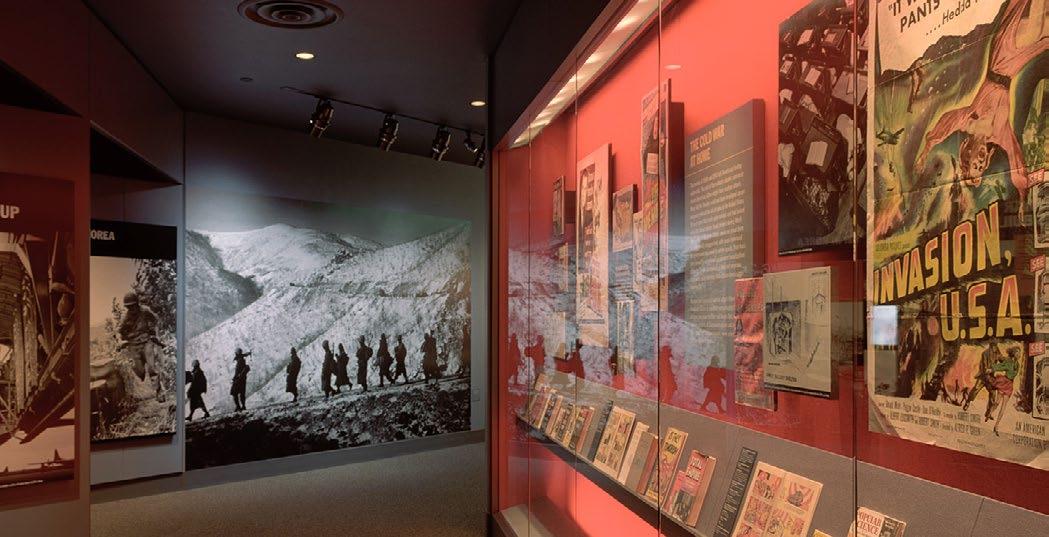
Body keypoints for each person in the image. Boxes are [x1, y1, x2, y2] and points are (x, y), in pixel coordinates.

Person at [916, 0, 1047, 217]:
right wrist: (1023, 198)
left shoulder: (970, 121)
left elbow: (946, 122)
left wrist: (926, 149)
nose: (979, 162)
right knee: (1044, 27)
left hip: (1001, 58)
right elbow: (1016, 161)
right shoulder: (1000, 134)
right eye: (981, 167)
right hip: (1014, 67)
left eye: (974, 165)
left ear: (968, 155)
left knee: (1036, 23)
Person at [118, 290, 163, 400]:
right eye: (128, 307)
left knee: (152, 368)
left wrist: (154, 333)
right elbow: (119, 332)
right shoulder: (125, 317)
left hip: (146, 342)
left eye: (133, 306)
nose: (131, 309)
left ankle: (159, 392)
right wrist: (120, 341)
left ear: (137, 303)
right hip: (133, 345)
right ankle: (140, 375)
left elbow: (156, 320)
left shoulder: (145, 311)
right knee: (140, 372)